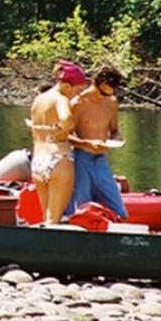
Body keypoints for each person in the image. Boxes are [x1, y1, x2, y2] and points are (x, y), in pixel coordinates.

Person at [27, 59, 87, 225]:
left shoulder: (39, 99)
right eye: (78, 90)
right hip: (58, 159)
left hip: (38, 160)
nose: (78, 95)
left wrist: (44, 128)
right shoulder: (61, 99)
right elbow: (66, 119)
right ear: (67, 85)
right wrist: (59, 130)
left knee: (45, 216)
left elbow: (35, 128)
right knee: (54, 219)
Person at [65, 65, 128, 219]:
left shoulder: (111, 102)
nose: (103, 97)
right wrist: (87, 144)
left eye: (108, 94)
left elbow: (114, 130)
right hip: (81, 159)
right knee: (82, 211)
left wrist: (117, 138)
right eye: (101, 92)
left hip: (101, 161)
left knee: (121, 213)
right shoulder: (77, 103)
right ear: (94, 82)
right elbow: (64, 135)